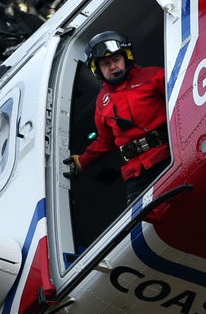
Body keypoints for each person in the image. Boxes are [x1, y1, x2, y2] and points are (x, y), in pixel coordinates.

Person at [63, 31, 170, 203]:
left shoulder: (154, 76)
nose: (112, 67)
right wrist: (82, 161)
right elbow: (105, 141)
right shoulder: (101, 103)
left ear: (126, 58)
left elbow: (179, 98)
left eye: (116, 60)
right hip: (135, 172)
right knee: (140, 219)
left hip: (166, 156)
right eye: (105, 63)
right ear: (97, 69)